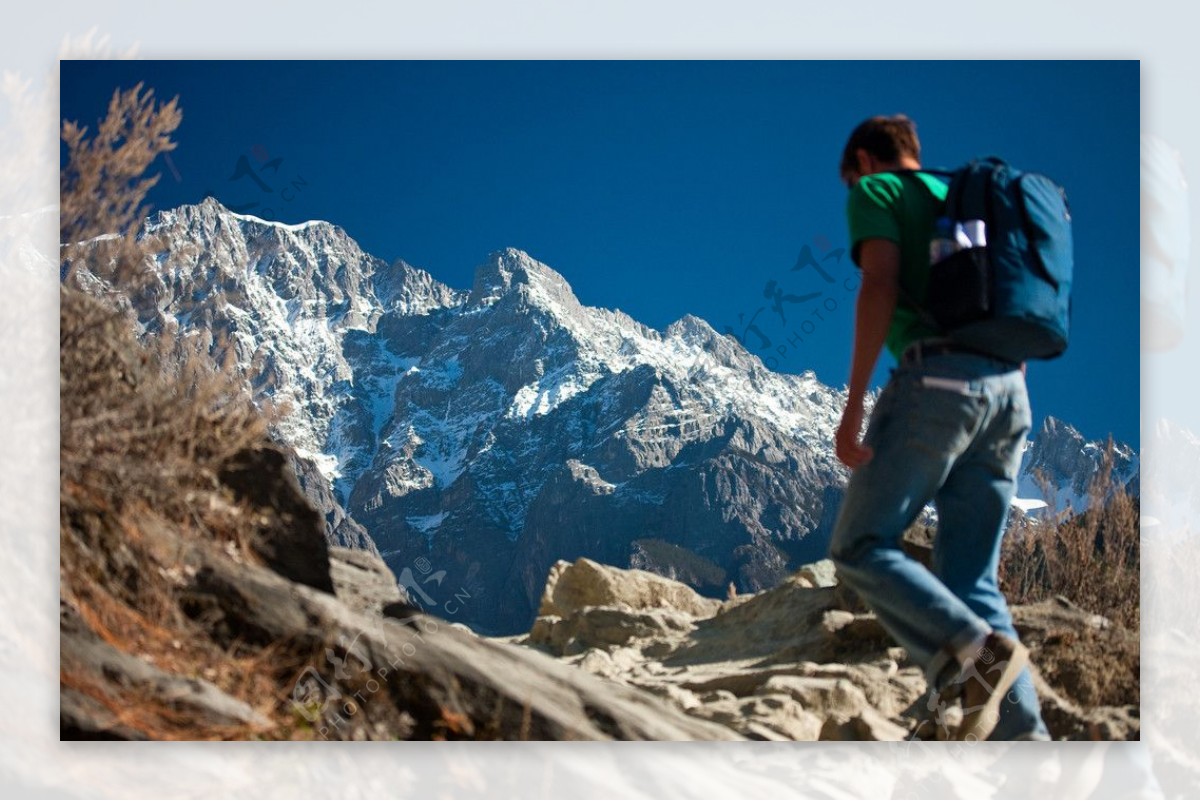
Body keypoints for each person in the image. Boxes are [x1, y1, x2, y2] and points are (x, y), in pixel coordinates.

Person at [828, 115, 1050, 741]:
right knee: (972, 579)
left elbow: (878, 283)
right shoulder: (963, 200)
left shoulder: (880, 192)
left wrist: (852, 407)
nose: (854, 192)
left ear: (866, 162)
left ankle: (964, 652)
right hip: (1009, 395)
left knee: (859, 544)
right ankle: (1027, 748)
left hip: (936, 386)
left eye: (851, 181)